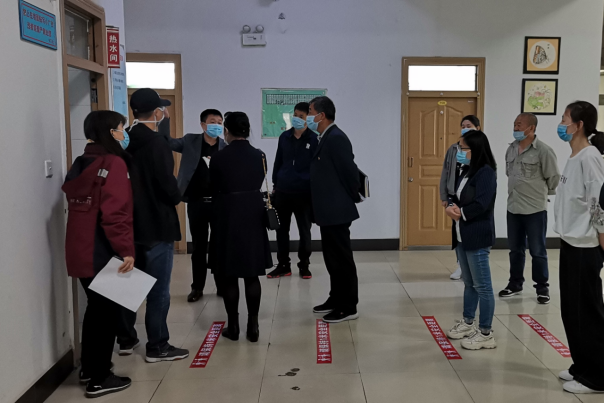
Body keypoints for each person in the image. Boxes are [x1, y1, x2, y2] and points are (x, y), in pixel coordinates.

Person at [63, 111, 135, 398]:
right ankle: (100, 378)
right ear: (110, 132)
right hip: (102, 249)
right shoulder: (113, 163)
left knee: (95, 311)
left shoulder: (82, 162)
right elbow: (115, 214)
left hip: (80, 247)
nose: (123, 133)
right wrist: (126, 250)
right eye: (120, 128)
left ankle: (89, 367)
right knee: (106, 315)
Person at [119, 88, 189, 363]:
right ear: (157, 112)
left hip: (129, 225)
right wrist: (177, 195)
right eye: (163, 108)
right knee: (158, 291)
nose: (165, 112)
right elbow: (167, 185)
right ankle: (158, 346)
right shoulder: (157, 143)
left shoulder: (124, 140)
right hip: (157, 224)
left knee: (129, 285)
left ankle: (126, 339)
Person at [554, 101, 604, 395]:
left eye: (565, 119)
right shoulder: (574, 156)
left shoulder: (590, 157)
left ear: (579, 125)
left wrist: (602, 243)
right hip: (570, 242)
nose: (561, 125)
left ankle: (598, 376)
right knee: (571, 311)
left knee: (587, 312)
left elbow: (599, 205)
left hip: (586, 245)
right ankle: (581, 366)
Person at [209, 112, 273, 342]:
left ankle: (233, 326)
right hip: (253, 213)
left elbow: (213, 186)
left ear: (227, 130)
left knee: (229, 274)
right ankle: (253, 326)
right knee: (251, 273)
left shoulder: (218, 157)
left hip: (226, 214)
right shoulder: (260, 156)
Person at [308, 96, 362, 324]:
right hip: (327, 210)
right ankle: (335, 298)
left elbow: (350, 173)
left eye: (310, 112)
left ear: (321, 115)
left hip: (337, 210)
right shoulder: (324, 137)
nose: (308, 116)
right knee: (332, 259)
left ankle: (348, 306)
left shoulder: (336, 138)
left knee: (342, 259)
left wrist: (351, 197)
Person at [164, 109, 227, 303]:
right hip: (196, 202)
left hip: (219, 203)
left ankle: (222, 285)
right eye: (212, 121)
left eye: (220, 122)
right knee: (199, 247)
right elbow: (167, 142)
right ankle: (197, 287)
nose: (217, 125)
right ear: (203, 124)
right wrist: (165, 121)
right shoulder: (190, 140)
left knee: (219, 246)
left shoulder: (225, 146)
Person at [445, 130, 498, 351]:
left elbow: (482, 203)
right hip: (462, 234)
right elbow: (455, 194)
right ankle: (468, 322)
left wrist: (461, 213)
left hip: (477, 233)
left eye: (462, 148)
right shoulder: (467, 170)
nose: (459, 151)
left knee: (482, 286)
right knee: (469, 283)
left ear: (474, 150)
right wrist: (451, 205)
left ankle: (486, 332)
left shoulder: (486, 173)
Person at [499, 113, 560, 304]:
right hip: (513, 207)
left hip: (535, 209)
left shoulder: (544, 150)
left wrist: (540, 193)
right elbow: (509, 173)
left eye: (519, 125)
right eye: (514, 124)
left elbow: (553, 178)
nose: (515, 128)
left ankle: (542, 288)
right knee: (515, 250)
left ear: (531, 128)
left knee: (537, 250)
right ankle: (515, 284)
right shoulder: (511, 148)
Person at [268, 102, 318, 280]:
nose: (297, 118)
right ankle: (283, 265)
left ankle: (304, 265)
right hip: (283, 191)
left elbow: (317, 167)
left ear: (308, 119)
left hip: (304, 193)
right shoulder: (284, 136)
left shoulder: (314, 139)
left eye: (301, 116)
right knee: (281, 231)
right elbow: (278, 161)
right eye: (295, 115)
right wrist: (275, 184)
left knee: (305, 231)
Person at [441, 115, 481, 281]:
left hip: (472, 197)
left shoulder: (482, 150)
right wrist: (444, 195)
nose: (465, 128)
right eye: (463, 126)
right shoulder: (453, 149)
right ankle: (460, 264)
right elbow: (445, 172)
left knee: (471, 230)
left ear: (477, 128)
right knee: (457, 231)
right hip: (454, 195)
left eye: (469, 125)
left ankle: (473, 264)